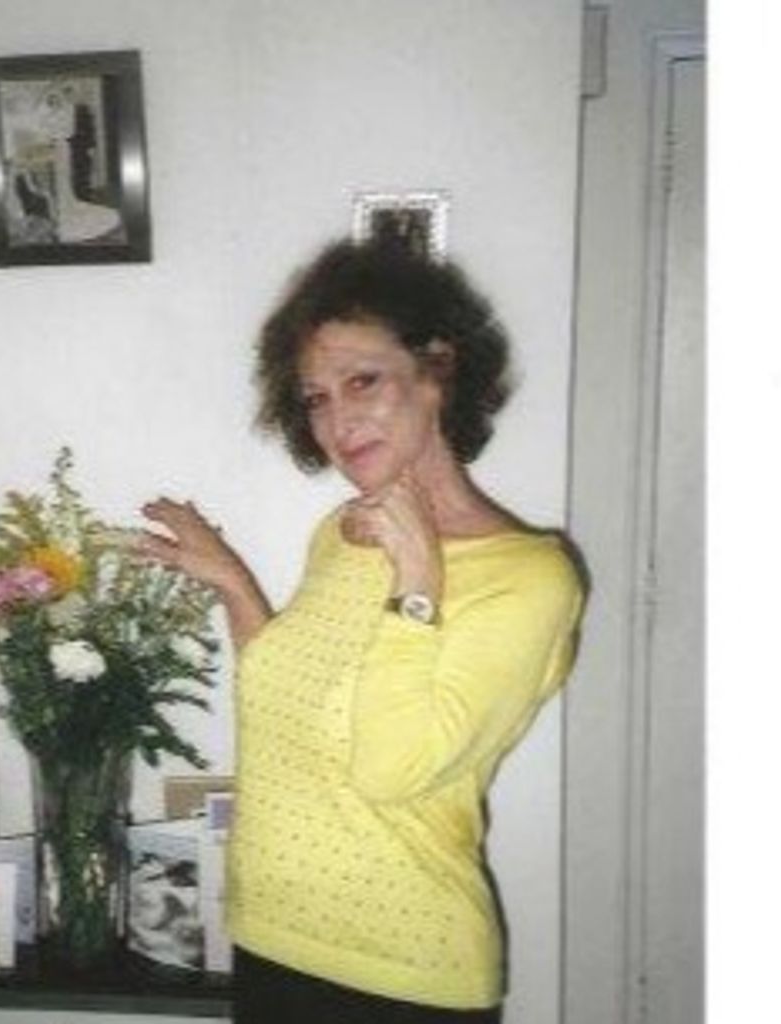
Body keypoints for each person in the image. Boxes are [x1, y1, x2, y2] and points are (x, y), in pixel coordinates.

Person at [140, 238, 586, 1023]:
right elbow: (289, 698)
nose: (337, 421)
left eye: (362, 381)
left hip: (400, 971)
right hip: (269, 935)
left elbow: (389, 769)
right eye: (315, 397)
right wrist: (233, 582)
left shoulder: (530, 578)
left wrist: (417, 583)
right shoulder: (339, 534)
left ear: (437, 369)